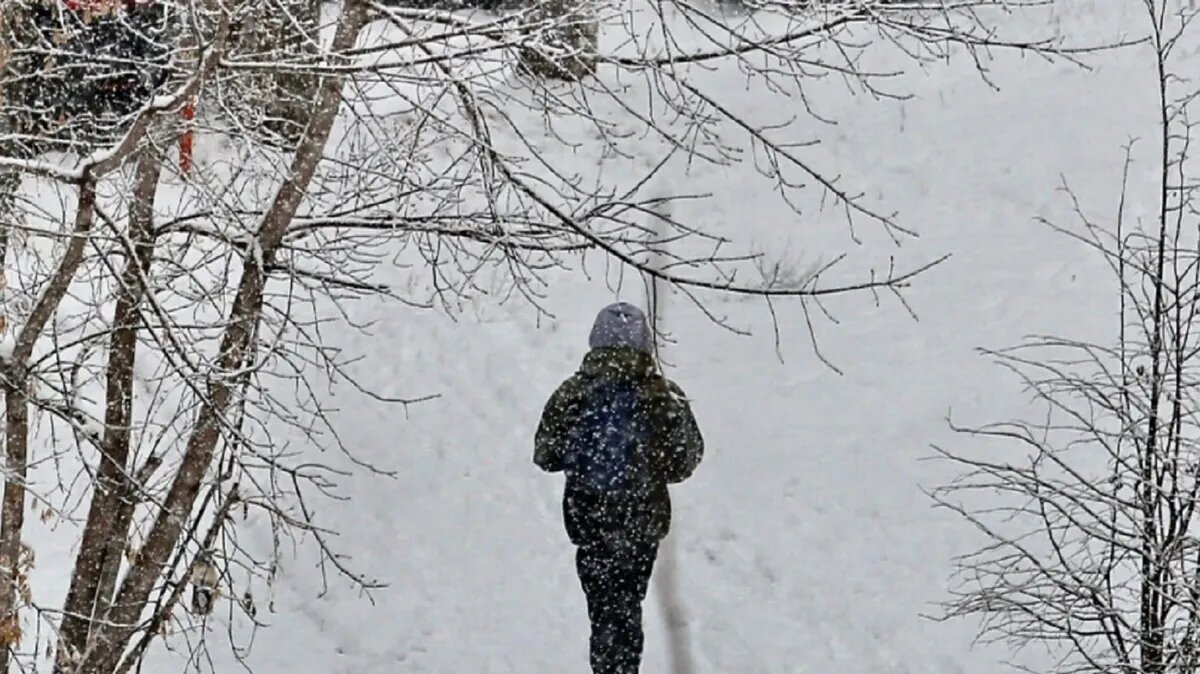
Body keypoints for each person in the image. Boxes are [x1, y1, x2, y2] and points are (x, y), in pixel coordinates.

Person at [534, 301, 704, 674]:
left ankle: (611, 666)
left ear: (596, 339)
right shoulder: (662, 394)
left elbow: (545, 455)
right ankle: (623, 665)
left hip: (589, 519)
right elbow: (685, 463)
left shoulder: (574, 391)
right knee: (628, 602)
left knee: (604, 609)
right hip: (641, 524)